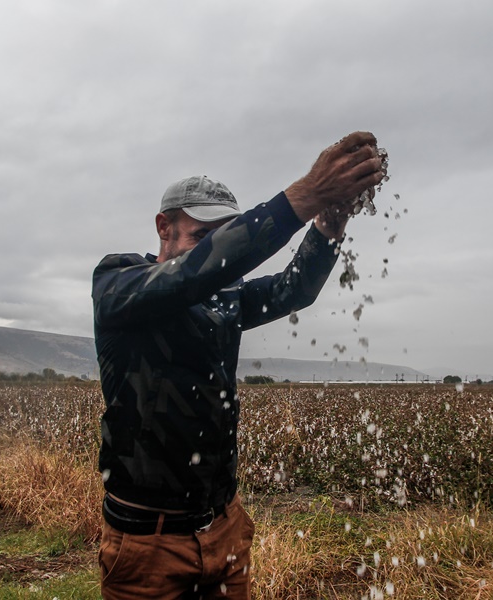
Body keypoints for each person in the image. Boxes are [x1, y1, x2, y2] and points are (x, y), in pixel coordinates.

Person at [92, 131, 384, 599]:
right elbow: (192, 274)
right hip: (148, 543)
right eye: (203, 236)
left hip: (223, 530)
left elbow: (294, 290)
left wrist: (330, 221)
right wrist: (305, 195)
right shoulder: (119, 284)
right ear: (163, 227)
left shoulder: (224, 298)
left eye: (224, 236)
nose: (218, 254)